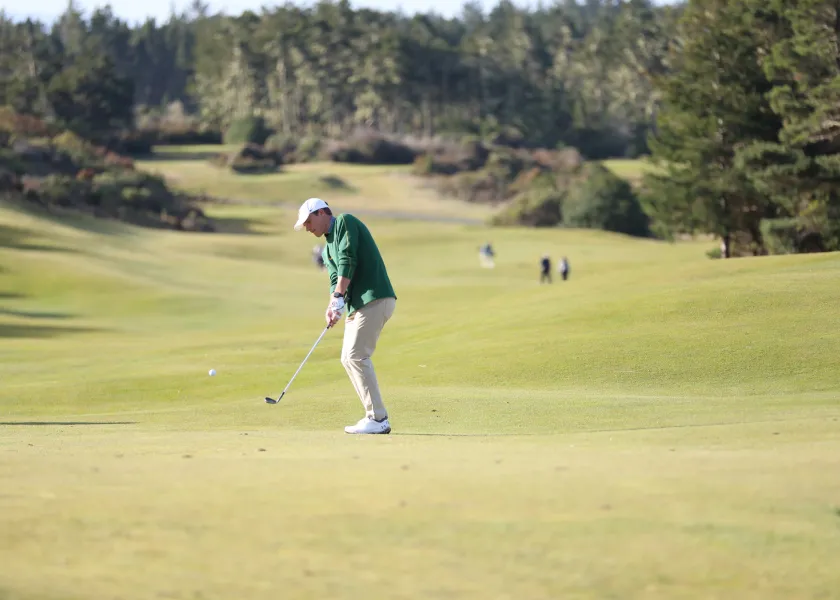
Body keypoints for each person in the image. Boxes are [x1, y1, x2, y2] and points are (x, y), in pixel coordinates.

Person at [294, 197, 397, 434]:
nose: (308, 228)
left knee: (356, 355)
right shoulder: (328, 245)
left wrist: (340, 295)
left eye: (309, 222)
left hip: (374, 297)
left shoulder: (345, 223)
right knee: (347, 358)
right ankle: (374, 416)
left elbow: (348, 258)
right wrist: (333, 304)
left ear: (322, 213)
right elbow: (334, 277)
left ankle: (378, 418)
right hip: (358, 304)